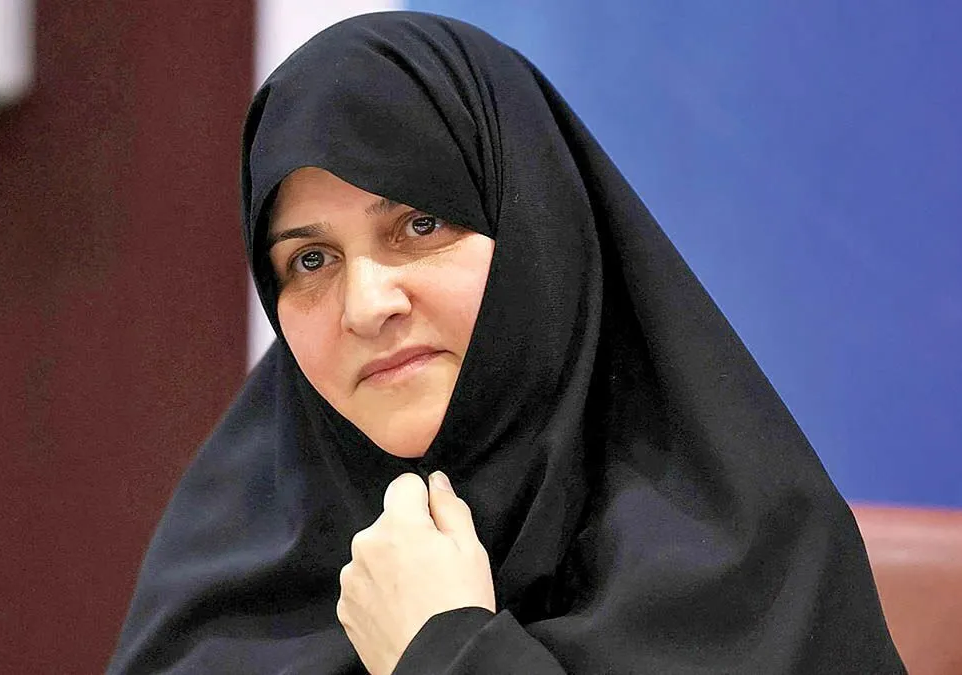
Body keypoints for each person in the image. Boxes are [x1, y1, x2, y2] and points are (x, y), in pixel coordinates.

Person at [107, 11, 906, 674]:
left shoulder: (755, 581)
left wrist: (446, 649)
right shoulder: (228, 599)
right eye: (311, 260)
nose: (368, 306)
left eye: (421, 223)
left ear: (536, 237)